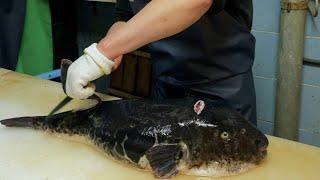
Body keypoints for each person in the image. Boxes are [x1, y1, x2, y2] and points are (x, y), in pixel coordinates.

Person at [65, 0, 257, 125]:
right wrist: (113, 49)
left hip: (221, 91)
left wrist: (101, 53)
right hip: (165, 88)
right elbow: (125, 16)